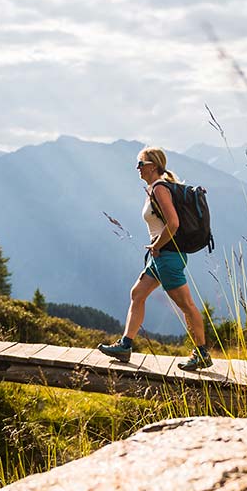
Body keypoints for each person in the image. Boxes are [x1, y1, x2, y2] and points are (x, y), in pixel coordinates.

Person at [98, 147, 213, 371]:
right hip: (160, 255)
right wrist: (156, 248)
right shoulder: (154, 189)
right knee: (137, 294)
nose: (137, 168)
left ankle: (202, 353)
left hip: (168, 256)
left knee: (186, 305)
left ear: (152, 165)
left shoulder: (160, 188)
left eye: (140, 164)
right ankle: (125, 345)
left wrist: (156, 245)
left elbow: (173, 223)